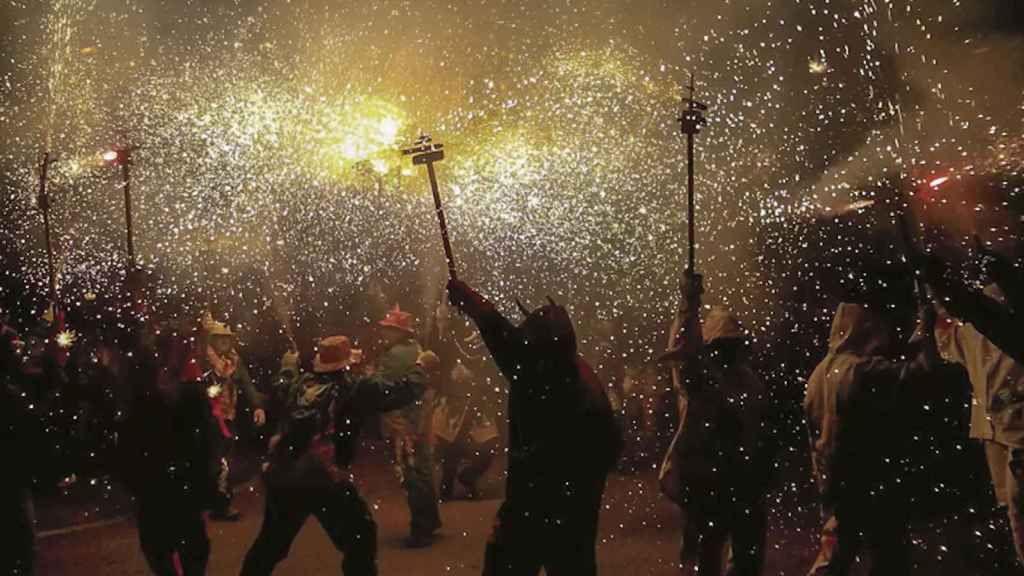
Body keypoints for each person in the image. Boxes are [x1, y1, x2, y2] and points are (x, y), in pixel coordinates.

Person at [447, 279, 621, 576]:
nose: (520, 337)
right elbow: (612, 450)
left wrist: (466, 298)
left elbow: (496, 328)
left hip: (535, 510)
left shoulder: (534, 369)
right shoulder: (572, 372)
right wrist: (467, 298)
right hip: (574, 514)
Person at [240, 335, 439, 576]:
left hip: (284, 475)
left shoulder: (299, 383)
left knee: (270, 544)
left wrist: (287, 365)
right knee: (361, 537)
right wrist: (421, 365)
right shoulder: (355, 388)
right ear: (345, 364)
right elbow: (403, 391)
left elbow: (279, 385)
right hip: (324, 479)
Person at [804, 301, 937, 576]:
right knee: (889, 556)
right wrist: (927, 326)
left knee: (834, 557)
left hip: (832, 478)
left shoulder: (819, 373)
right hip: (869, 480)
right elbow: (923, 372)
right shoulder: (861, 370)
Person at [659, 272, 771, 576]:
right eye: (722, 344)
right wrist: (688, 305)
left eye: (731, 344)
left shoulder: (750, 382)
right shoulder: (699, 380)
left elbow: (758, 430)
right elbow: (683, 353)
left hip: (743, 481)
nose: (727, 350)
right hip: (706, 483)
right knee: (703, 561)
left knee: (747, 560)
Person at [926, 280, 1024, 566]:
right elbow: (949, 346)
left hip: (1013, 424)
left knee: (1016, 512)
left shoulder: (998, 309)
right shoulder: (970, 317)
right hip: (996, 426)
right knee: (1012, 512)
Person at [117, 319, 219, 576]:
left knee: (187, 552)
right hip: (161, 487)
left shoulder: (190, 395)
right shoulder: (145, 394)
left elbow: (206, 444)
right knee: (165, 551)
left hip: (176, 487)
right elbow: (128, 441)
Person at [375, 304, 443, 547]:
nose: (384, 333)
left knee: (411, 475)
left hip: (405, 424)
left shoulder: (394, 355)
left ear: (400, 333)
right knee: (423, 471)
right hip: (421, 420)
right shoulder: (414, 348)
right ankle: (431, 521)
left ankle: (421, 530)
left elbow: (383, 389)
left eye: (389, 329)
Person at [1, 319, 64, 576]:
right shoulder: (9, 393)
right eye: (13, 349)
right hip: (9, 485)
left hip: (14, 481)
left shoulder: (13, 386)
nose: (19, 354)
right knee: (18, 550)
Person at [200, 317, 266, 521]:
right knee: (215, 461)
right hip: (206, 418)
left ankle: (220, 504)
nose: (225, 343)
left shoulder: (234, 359)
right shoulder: (204, 360)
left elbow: (246, 383)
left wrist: (257, 406)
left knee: (223, 460)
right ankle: (217, 504)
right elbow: (201, 390)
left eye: (227, 339)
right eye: (220, 339)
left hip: (227, 416)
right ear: (212, 340)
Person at [433, 363, 499, 501]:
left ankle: (468, 477)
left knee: (485, 453)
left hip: (471, 441)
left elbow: (488, 428)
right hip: (451, 441)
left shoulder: (477, 400)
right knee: (449, 457)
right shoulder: (446, 400)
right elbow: (438, 424)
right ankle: (447, 489)